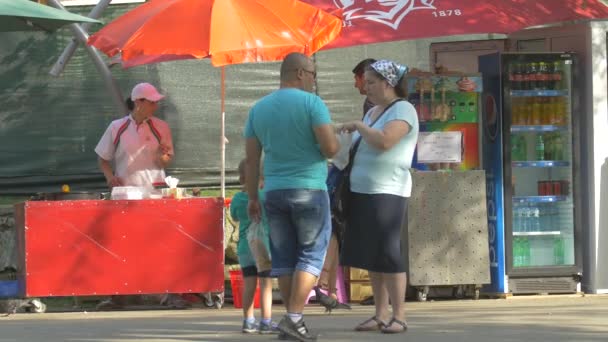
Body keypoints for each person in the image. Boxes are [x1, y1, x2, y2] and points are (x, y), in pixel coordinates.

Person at [244, 52, 339, 342]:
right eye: (312, 74)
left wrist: (252, 197)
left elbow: (251, 160)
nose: (313, 80)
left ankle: (292, 324)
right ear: (299, 73)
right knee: (311, 255)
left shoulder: (258, 109)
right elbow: (330, 149)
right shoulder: (313, 103)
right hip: (309, 188)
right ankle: (294, 318)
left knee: (284, 259)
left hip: (273, 190)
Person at [338, 60, 419, 334]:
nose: (367, 87)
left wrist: (359, 127)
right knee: (372, 254)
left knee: (388, 251)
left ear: (388, 83)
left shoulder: (404, 109)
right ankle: (380, 313)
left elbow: (385, 141)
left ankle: (399, 315)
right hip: (362, 190)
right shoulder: (373, 111)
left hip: (388, 190)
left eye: (371, 82)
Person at [94, 83, 175, 310]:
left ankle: (161, 294)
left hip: (155, 194)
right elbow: (103, 159)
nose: (156, 105)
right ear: (138, 102)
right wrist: (110, 177)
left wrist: (163, 157)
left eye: (156, 101)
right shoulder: (116, 127)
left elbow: (165, 161)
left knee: (157, 244)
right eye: (151, 102)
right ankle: (120, 294)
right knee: (121, 244)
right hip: (125, 195)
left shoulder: (161, 127)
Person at [313, 58, 379, 311]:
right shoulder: (373, 106)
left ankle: (327, 286)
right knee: (335, 228)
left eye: (359, 79)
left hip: (359, 178)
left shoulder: (380, 107)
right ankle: (326, 286)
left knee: (337, 228)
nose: (356, 84)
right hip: (351, 176)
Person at [230, 159, 277, 334]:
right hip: (262, 246)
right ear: (263, 177)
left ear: (241, 178)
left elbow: (234, 216)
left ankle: (248, 320)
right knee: (266, 284)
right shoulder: (265, 197)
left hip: (244, 247)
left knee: (249, 283)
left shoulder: (237, 198)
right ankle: (266, 321)